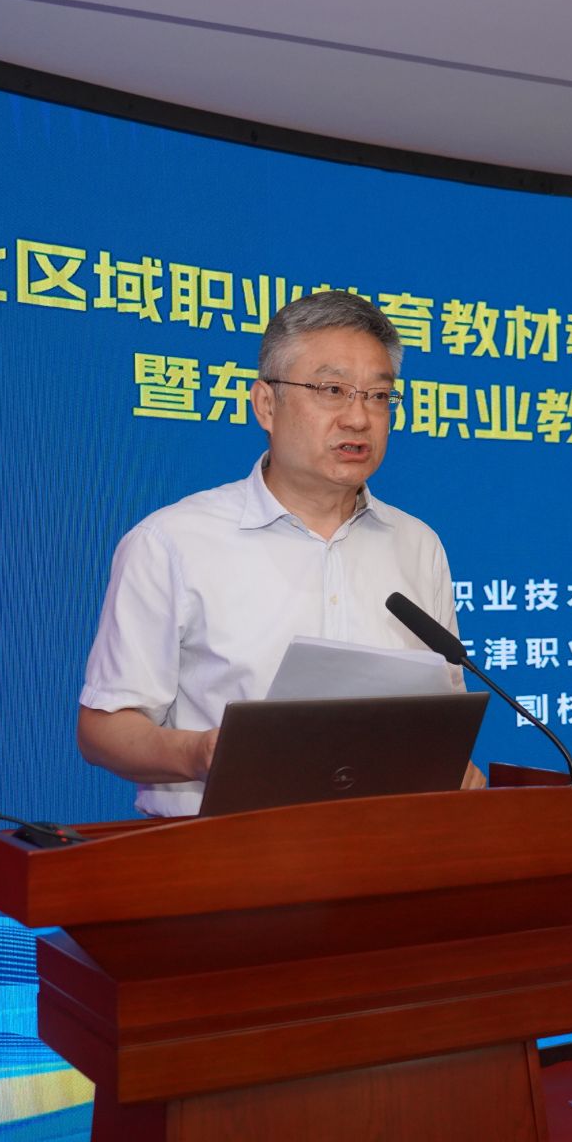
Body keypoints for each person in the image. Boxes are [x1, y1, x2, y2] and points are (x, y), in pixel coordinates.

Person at [77, 290, 481, 815]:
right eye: (332, 390)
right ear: (266, 404)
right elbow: (104, 729)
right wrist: (200, 753)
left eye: (379, 396)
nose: (358, 418)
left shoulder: (418, 544)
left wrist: (450, 763)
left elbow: (443, 713)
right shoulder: (172, 542)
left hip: (390, 846)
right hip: (223, 850)